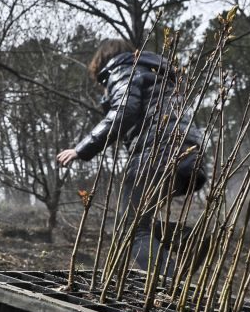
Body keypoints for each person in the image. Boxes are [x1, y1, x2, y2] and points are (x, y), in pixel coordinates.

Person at [56, 39, 206, 271]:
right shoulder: (161, 77)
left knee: (131, 230)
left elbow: (124, 110)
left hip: (156, 151)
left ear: (102, 63)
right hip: (188, 153)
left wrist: (81, 149)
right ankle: (188, 238)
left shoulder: (122, 69)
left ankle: (168, 290)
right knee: (138, 223)